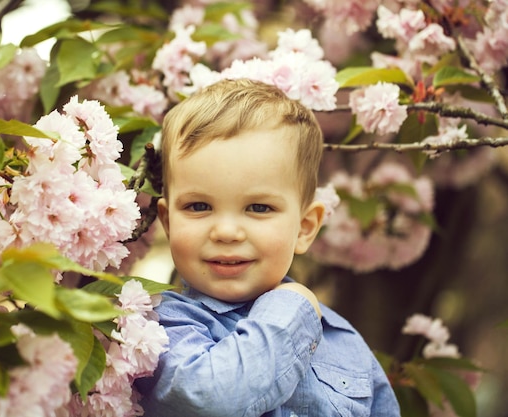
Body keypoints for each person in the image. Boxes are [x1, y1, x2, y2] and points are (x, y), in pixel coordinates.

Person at [136, 78, 400, 417]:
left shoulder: (343, 342)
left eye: (259, 208)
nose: (227, 232)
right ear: (169, 222)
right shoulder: (160, 329)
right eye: (198, 206)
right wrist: (291, 308)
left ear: (305, 228)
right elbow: (210, 399)